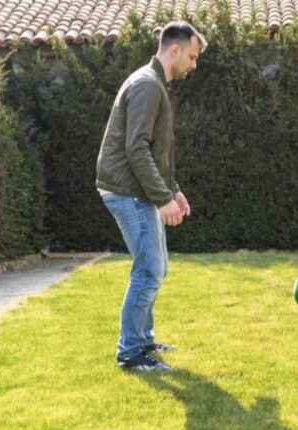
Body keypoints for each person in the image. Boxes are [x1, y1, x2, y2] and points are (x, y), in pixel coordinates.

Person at [95, 21, 208, 372]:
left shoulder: (153, 82)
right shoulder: (147, 85)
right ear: (173, 50)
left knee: (153, 268)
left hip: (136, 189)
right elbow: (136, 149)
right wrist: (162, 199)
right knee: (148, 271)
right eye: (191, 57)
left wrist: (173, 190)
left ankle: (143, 340)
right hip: (128, 192)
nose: (193, 65)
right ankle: (131, 353)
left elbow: (155, 152)